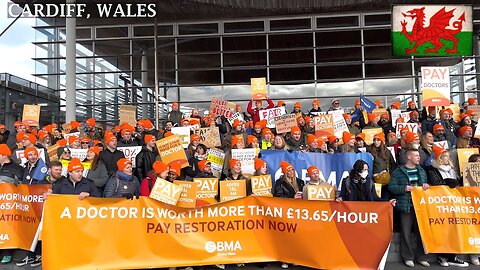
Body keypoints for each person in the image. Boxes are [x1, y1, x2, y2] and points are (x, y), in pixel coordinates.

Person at [425, 146, 469, 267]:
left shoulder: (452, 170)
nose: (448, 159)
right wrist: (448, 182)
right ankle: (442, 255)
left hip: (454, 204)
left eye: (449, 157)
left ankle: (452, 256)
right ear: (439, 158)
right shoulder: (432, 170)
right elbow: (435, 183)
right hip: (441, 204)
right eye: (445, 156)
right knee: (443, 230)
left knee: (454, 230)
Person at [388, 149, 430, 268]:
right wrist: (403, 189)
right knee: (405, 233)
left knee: (422, 233)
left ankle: (422, 257)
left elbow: (426, 186)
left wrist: (427, 186)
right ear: (409, 157)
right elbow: (392, 187)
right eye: (416, 155)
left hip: (420, 206)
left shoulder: (421, 171)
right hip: (406, 205)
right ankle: (408, 257)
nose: (419, 157)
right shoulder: (398, 172)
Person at [367, 133, 397, 199]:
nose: (376, 142)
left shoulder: (387, 151)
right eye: (374, 140)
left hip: (386, 179)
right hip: (374, 179)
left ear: (382, 141)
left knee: (386, 197)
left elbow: (393, 164)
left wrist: (390, 174)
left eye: (378, 140)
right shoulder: (369, 151)